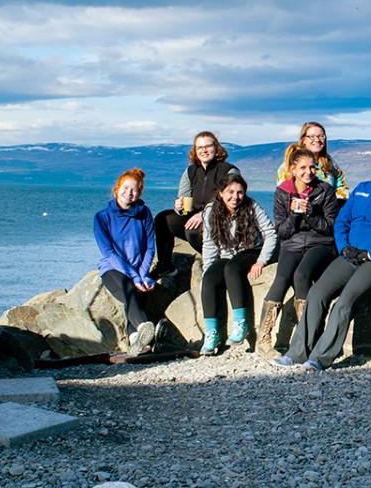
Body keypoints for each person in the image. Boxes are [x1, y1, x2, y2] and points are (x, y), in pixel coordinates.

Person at [272, 150, 371, 372]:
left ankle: (321, 358)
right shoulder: (362, 189)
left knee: (344, 302)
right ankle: (296, 352)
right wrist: (343, 247)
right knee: (317, 293)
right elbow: (342, 221)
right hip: (350, 255)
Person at [257, 148, 339, 358]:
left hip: (319, 243)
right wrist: (294, 214)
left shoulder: (326, 190)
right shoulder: (282, 192)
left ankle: (306, 337)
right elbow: (282, 230)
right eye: (303, 168)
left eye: (312, 167)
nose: (309, 172)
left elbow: (330, 227)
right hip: (292, 244)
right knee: (282, 278)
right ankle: (264, 339)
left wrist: (311, 214)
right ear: (292, 169)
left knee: (302, 274)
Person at [199, 174, 277, 356]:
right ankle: (212, 333)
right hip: (227, 255)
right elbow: (209, 243)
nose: (235, 197)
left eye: (240, 192)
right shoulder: (211, 210)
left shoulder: (251, 206)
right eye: (230, 192)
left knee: (232, 269)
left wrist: (261, 260)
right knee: (209, 278)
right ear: (220, 192)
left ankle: (241, 324)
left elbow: (270, 233)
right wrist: (208, 267)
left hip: (251, 250)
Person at [152, 131, 241, 277]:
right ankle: (165, 266)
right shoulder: (190, 171)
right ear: (195, 151)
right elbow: (184, 202)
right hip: (196, 217)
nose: (204, 151)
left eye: (208, 146)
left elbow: (232, 202)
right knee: (163, 219)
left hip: (222, 220)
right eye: (200, 148)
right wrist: (179, 207)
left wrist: (204, 214)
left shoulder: (229, 171)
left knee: (193, 231)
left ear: (216, 148)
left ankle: (216, 262)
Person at [93, 168, 157, 357]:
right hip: (113, 269)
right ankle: (145, 326)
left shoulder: (144, 213)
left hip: (139, 271)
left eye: (134, 189)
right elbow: (109, 253)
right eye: (126, 187)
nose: (129, 192)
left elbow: (150, 247)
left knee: (137, 293)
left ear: (139, 193)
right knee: (130, 288)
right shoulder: (102, 217)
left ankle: (136, 339)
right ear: (117, 188)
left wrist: (144, 274)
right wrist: (136, 276)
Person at [276, 121, 349, 200]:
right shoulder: (289, 165)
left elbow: (342, 187)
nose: (317, 140)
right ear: (303, 140)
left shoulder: (329, 163)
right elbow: (283, 195)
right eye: (312, 137)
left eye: (321, 136)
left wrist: (335, 203)